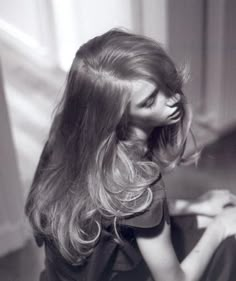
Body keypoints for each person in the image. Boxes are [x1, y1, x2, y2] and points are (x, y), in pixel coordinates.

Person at [25, 29, 236, 281]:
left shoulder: (67, 132)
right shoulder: (138, 182)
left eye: (165, 84)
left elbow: (119, 212)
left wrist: (197, 206)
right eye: (149, 101)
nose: (173, 100)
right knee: (229, 236)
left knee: (207, 215)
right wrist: (220, 228)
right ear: (115, 116)